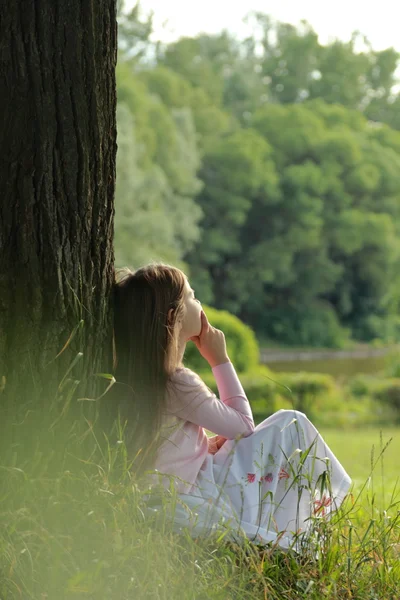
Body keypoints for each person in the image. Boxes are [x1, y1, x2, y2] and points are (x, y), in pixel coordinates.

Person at [112, 262, 352, 551]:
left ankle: (297, 525)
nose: (199, 303)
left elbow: (167, 441)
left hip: (166, 492)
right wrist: (219, 359)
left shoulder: (132, 376)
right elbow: (243, 426)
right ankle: (304, 528)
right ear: (174, 316)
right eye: (192, 296)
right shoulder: (175, 381)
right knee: (291, 424)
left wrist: (205, 443)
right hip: (197, 488)